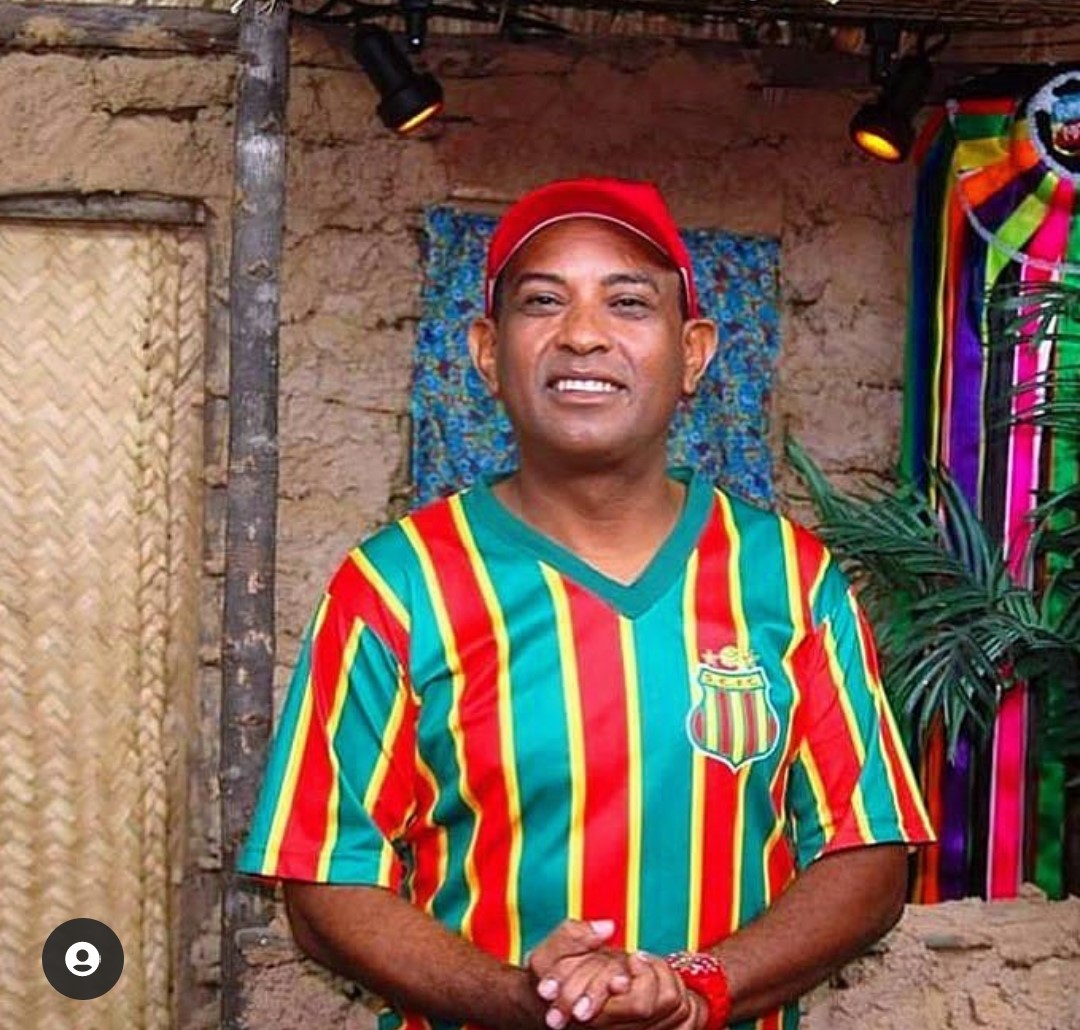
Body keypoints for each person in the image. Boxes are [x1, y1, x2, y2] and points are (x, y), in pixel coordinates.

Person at [238, 177, 935, 1030]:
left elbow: (868, 857)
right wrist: (524, 1001)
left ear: (694, 353)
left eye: (628, 303)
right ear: (487, 351)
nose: (582, 334)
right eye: (542, 301)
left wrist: (698, 987)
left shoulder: (792, 580)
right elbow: (324, 882)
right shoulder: (396, 586)